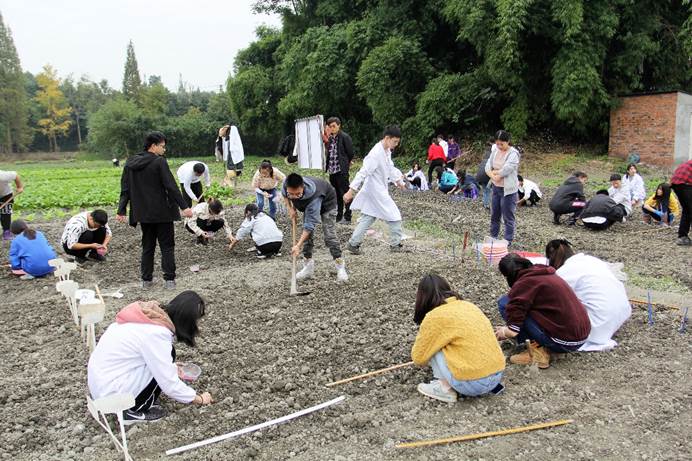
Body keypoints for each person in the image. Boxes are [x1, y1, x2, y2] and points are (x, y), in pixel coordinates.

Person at [87, 291, 213, 424]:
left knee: (165, 360)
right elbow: (168, 383)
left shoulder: (147, 319)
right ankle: (131, 411)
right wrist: (199, 399)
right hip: (112, 396)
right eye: (195, 322)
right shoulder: (156, 333)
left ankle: (135, 399)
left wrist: (171, 367)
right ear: (186, 321)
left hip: (101, 384)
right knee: (164, 364)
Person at [411, 274, 505, 403]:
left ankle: (444, 388)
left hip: (472, 384)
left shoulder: (434, 316)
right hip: (496, 376)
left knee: (434, 343)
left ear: (422, 297)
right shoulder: (468, 306)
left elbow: (418, 358)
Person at [117, 131, 193, 290]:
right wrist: (184, 206)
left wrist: (121, 210)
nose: (164, 149)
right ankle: (169, 280)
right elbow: (171, 186)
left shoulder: (130, 163)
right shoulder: (159, 162)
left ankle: (146, 280)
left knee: (148, 246)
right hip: (162, 212)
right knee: (167, 246)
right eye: (162, 146)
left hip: (143, 213)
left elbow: (125, 188)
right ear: (153, 146)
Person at [494, 254, 591, 369]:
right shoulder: (544, 274)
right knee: (521, 307)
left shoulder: (525, 283)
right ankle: (543, 345)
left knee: (505, 303)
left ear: (508, 275)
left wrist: (505, 331)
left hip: (563, 341)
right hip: (581, 336)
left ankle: (537, 353)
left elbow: (513, 329)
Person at [545, 240, 631, 352]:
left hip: (597, 323)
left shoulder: (565, 271)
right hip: (620, 313)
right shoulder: (592, 260)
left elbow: (548, 296)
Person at [344, 125, 407, 254]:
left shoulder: (386, 150)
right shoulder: (376, 153)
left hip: (376, 189)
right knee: (394, 215)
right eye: (395, 141)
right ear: (387, 138)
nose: (396, 145)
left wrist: (398, 180)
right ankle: (395, 244)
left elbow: (390, 167)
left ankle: (353, 244)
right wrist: (351, 190)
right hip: (376, 191)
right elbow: (363, 172)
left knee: (368, 217)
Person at [282, 173, 348, 282]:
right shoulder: (286, 183)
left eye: (297, 194)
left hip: (327, 205)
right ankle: (308, 267)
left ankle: (340, 267)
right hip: (307, 205)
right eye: (291, 194)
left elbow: (309, 226)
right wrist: (290, 208)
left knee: (329, 236)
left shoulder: (313, 198)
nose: (293, 197)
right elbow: (284, 194)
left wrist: (298, 245)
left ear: (303, 187)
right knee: (307, 238)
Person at [485, 130, 520, 244]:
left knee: (508, 215)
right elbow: (488, 166)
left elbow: (507, 169)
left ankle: (507, 239)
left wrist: (496, 173)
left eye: (502, 144)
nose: (499, 146)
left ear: (508, 141)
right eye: (497, 143)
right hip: (496, 187)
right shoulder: (495, 150)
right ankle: (493, 236)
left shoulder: (513, 153)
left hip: (508, 190)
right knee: (495, 213)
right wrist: (493, 176)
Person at [323, 117, 355, 224]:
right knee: (336, 193)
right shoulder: (331, 138)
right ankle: (339, 214)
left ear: (338, 125)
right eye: (330, 126)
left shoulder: (345, 137)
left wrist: (345, 163)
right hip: (332, 170)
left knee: (345, 192)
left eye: (334, 126)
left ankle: (348, 216)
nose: (332, 128)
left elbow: (350, 153)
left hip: (341, 170)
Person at [671, 159, 692, 246]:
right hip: (685, 184)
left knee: (687, 210)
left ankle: (682, 237)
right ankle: (682, 237)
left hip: (676, 183)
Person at [217, 122, 244, 188]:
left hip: (235, 153)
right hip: (232, 155)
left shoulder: (233, 136)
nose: (224, 137)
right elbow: (220, 147)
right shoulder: (228, 140)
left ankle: (227, 180)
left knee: (237, 170)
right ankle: (227, 180)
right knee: (231, 169)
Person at [0, 169, 24, 241]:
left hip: (5, 195)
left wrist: (19, 187)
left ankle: (6, 231)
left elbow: (15, 175)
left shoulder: (3, 176)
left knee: (5, 213)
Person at [475, 137, 495, 209]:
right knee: (489, 190)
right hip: (486, 174)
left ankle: (485, 203)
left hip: (480, 174)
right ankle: (487, 204)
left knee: (485, 190)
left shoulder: (485, 154)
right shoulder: (493, 155)